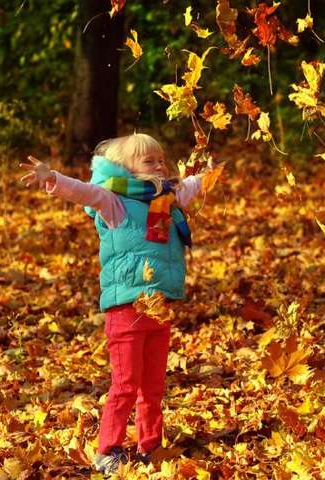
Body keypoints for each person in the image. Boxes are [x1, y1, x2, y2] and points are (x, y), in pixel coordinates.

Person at [19, 133, 203, 474]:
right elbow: (83, 191)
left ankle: (150, 446)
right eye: (149, 161)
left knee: (153, 386)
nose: (159, 166)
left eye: (161, 160)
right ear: (127, 169)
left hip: (159, 307)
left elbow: (194, 185)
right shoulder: (114, 200)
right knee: (126, 384)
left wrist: (211, 170)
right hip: (126, 310)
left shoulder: (166, 198)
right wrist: (52, 177)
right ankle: (108, 449)